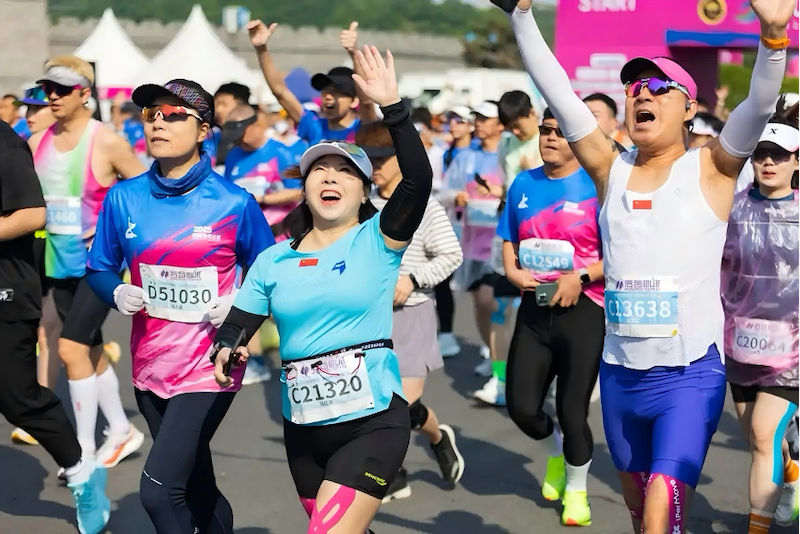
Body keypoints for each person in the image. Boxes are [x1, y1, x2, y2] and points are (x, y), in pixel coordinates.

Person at [492, 0, 794, 532]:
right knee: (641, 515)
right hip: (621, 374)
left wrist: (773, 40)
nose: (642, 95)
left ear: (689, 107)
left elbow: (758, 105)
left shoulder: (714, 167)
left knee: (659, 516)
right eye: (634, 88)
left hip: (690, 375)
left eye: (658, 88)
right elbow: (559, 92)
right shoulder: (609, 168)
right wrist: (520, 15)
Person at [212, 46, 430, 533]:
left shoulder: (378, 240)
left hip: (372, 421)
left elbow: (417, 180)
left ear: (364, 190)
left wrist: (393, 107)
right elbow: (238, 324)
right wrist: (227, 347)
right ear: (306, 187)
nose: (330, 176)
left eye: (345, 170)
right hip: (304, 429)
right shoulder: (273, 260)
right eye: (319, 169)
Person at [85, 78, 275, 533]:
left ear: (203, 129)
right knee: (195, 485)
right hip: (151, 364)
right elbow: (99, 268)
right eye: (151, 115)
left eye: (173, 115)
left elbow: (270, 274)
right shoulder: (123, 197)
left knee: (158, 490)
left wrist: (239, 303)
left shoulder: (234, 203)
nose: (158, 123)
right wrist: (115, 291)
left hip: (211, 365)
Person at [28, 55, 147, 471]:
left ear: (84, 94)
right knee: (90, 349)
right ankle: (121, 429)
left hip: (100, 269)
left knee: (70, 348)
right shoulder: (37, 141)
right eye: (48, 89)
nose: (52, 96)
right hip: (56, 264)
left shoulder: (106, 141)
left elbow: (144, 198)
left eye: (62, 89)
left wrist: (117, 237)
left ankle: (82, 451)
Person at [0, 119, 110, 534]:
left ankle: (81, 471)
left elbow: (32, 213)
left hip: (6, 291)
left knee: (17, 398)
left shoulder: (5, 143)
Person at [497, 109, 605, 526]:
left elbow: (619, 254)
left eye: (561, 132)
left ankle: (577, 492)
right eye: (545, 131)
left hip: (584, 309)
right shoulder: (523, 183)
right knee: (521, 407)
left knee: (572, 411)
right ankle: (556, 454)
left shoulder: (597, 186)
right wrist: (511, 270)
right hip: (535, 306)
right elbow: (510, 238)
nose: (550, 138)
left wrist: (580, 277)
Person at [356, 120, 465, 503]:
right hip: (367, 318)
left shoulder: (425, 206)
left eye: (382, 159)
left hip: (413, 313)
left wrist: (413, 280)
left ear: (402, 159)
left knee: (402, 405)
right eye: (369, 159)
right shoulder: (361, 205)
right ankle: (397, 473)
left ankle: (436, 438)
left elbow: (451, 255)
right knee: (373, 401)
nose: (375, 167)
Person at [722, 119, 800, 532]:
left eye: (780, 155)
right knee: (759, 438)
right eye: (762, 154)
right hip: (742, 345)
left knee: (763, 432)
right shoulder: (730, 208)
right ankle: (793, 476)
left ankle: (758, 528)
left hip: (792, 352)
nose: (769, 162)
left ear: (796, 161)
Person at [8, 85, 57, 446]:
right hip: (33, 250)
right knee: (47, 331)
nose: (31, 115)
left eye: (38, 108)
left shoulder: (77, 146)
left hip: (66, 253)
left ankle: (39, 414)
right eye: (27, 109)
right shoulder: (24, 144)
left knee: (54, 333)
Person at [247, 20, 377, 146]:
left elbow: (366, 101)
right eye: (325, 91)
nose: (328, 96)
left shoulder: (365, 128)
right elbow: (280, 93)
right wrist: (261, 49)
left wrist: (354, 53)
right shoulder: (313, 124)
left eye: (337, 92)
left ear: (354, 101)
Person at [497, 90, 543, 181]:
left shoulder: (548, 142)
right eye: (510, 128)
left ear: (532, 113)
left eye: (517, 126)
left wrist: (531, 173)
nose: (515, 132)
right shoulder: (506, 142)